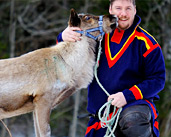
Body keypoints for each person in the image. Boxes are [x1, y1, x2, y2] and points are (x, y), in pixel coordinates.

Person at [57, 0, 165, 137]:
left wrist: (127, 96)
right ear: (110, 10)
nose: (123, 14)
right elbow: (68, 58)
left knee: (133, 119)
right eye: (118, 8)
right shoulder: (96, 36)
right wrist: (63, 37)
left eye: (128, 8)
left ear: (135, 10)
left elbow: (158, 80)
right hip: (101, 118)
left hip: (133, 113)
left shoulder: (147, 43)